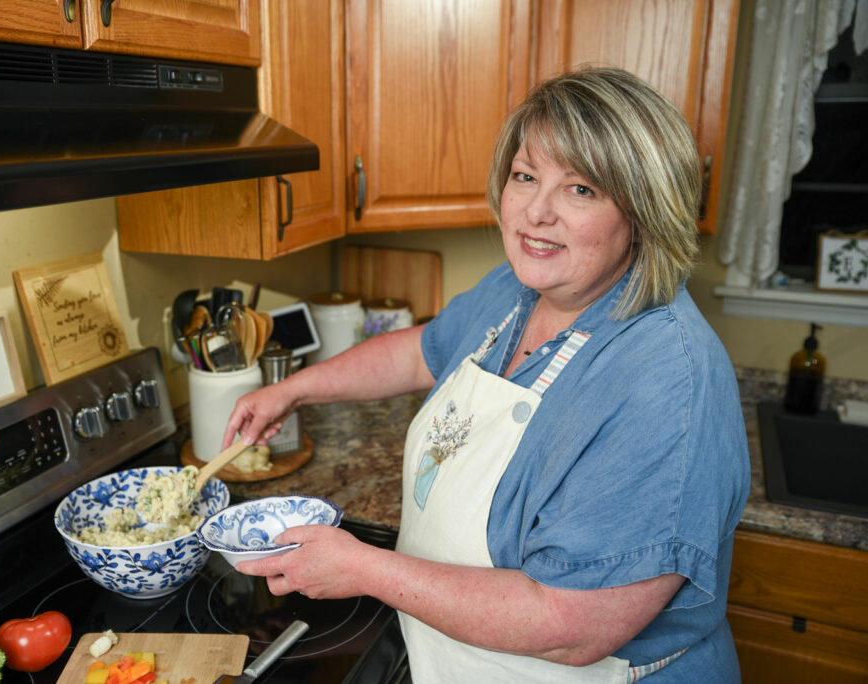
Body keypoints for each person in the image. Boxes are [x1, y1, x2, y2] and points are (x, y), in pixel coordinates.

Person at [221, 67, 750, 683]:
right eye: (526, 177)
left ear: (644, 210)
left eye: (581, 190)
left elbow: (571, 626)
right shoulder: (521, 289)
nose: (536, 213)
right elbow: (424, 349)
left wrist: (364, 569)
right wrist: (295, 389)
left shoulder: (664, 379)